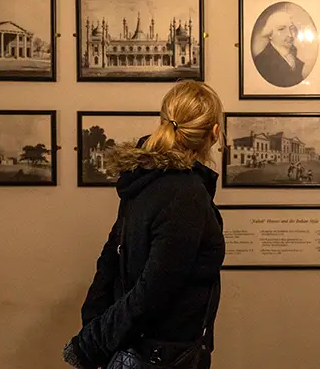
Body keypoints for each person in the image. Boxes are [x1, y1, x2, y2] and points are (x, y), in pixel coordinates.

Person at [63, 81, 226, 369]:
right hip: (162, 356)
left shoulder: (145, 178)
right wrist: (91, 343)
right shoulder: (185, 194)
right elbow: (153, 290)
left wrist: (94, 327)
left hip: (140, 350)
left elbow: (110, 261)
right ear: (214, 133)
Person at [252, 7, 306, 88]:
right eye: (281, 29)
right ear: (270, 34)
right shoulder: (262, 62)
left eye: (291, 28)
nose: (290, 34)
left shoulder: (295, 57)